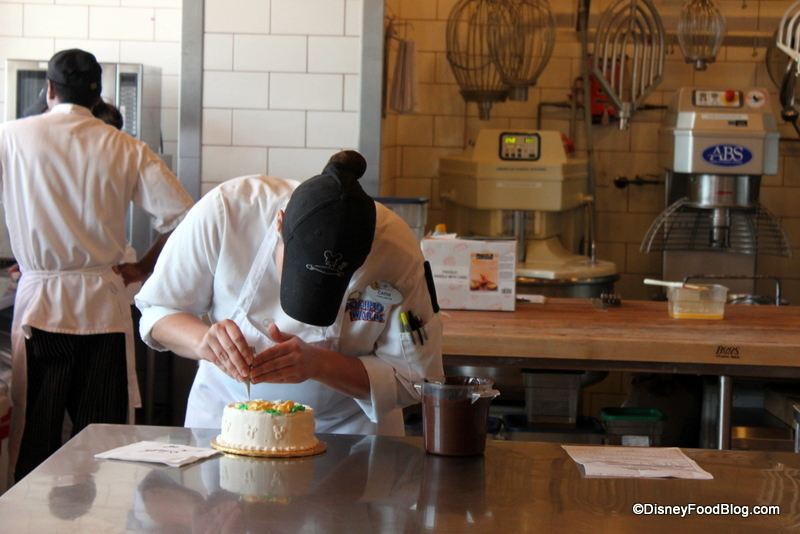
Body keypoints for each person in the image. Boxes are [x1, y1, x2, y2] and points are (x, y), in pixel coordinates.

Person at [135, 150, 443, 435]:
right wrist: (203, 342)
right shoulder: (227, 210)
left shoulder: (396, 251)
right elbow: (158, 311)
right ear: (279, 224)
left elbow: (414, 381)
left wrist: (319, 364)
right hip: (225, 423)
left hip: (347, 434)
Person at [0, 49, 194, 482]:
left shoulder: (10, 136)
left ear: (49, 90)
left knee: (36, 433)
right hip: (102, 306)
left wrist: (31, 259)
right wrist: (142, 268)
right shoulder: (125, 146)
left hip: (41, 306)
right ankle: (101, 513)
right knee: (102, 435)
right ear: (98, 95)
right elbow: (185, 218)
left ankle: (27, 514)